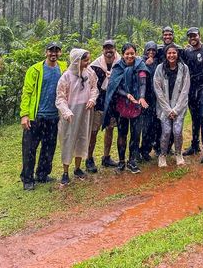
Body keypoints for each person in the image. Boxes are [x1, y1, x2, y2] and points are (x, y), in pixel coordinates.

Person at [20, 42, 67, 190]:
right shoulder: (35, 70)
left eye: (56, 51)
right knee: (29, 148)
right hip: (36, 116)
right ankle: (28, 179)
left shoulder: (63, 68)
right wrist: (25, 115)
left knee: (49, 147)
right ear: (45, 52)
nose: (53, 54)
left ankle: (42, 174)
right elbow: (27, 93)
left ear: (60, 53)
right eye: (51, 51)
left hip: (54, 116)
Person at [103, 43, 150, 174]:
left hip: (136, 105)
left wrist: (141, 96)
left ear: (136, 53)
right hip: (122, 105)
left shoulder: (140, 65)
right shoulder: (118, 67)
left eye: (132, 53)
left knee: (135, 135)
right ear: (123, 55)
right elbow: (115, 86)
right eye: (127, 54)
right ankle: (121, 161)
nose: (130, 56)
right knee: (122, 134)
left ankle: (132, 161)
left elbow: (143, 82)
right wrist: (127, 95)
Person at [55, 48, 99, 185]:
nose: (88, 62)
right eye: (85, 60)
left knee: (82, 137)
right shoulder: (66, 77)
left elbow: (94, 88)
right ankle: (65, 171)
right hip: (71, 113)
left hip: (85, 111)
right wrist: (66, 111)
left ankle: (78, 168)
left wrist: (92, 99)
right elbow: (60, 98)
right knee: (69, 139)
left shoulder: (89, 73)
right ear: (77, 61)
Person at [182, 27, 203, 163]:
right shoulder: (186, 52)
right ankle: (195, 145)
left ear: (199, 36)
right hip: (192, 87)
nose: (192, 38)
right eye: (190, 36)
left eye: (194, 36)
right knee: (195, 117)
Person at [86, 40, 121, 173]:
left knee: (110, 129)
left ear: (115, 49)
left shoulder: (120, 63)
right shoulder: (95, 66)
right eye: (106, 48)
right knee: (93, 131)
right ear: (102, 50)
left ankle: (106, 157)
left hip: (113, 102)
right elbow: (91, 85)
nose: (109, 51)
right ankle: (89, 159)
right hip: (99, 103)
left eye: (111, 48)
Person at [153, 43, 190, 167]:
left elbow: (185, 90)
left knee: (177, 131)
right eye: (169, 53)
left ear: (177, 54)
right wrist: (168, 110)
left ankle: (178, 154)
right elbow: (158, 90)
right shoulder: (160, 68)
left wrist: (176, 109)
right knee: (167, 131)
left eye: (174, 52)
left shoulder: (184, 68)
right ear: (165, 55)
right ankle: (162, 155)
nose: (171, 55)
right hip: (164, 108)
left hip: (179, 107)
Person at [139, 41, 159, 161]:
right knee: (144, 126)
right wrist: (146, 65)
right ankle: (139, 151)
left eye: (153, 50)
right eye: (148, 50)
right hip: (144, 99)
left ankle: (147, 149)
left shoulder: (158, 61)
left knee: (153, 126)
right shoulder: (140, 61)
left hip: (155, 99)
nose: (151, 53)